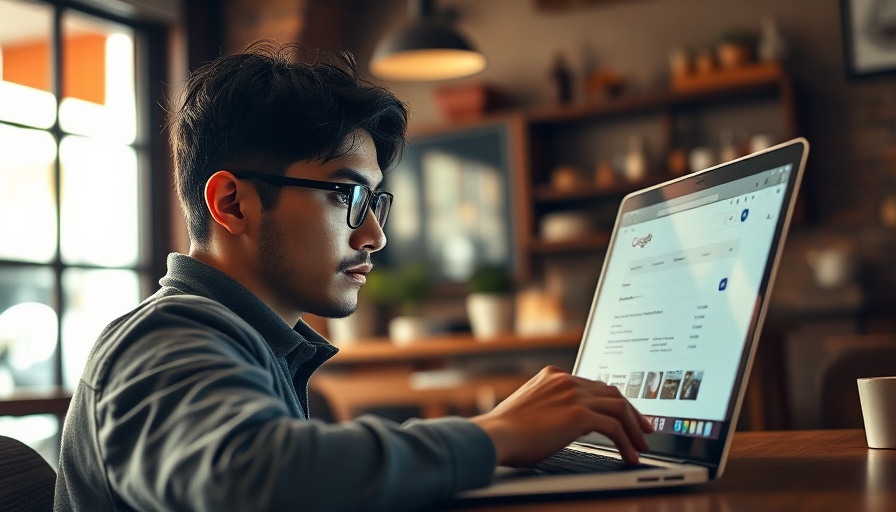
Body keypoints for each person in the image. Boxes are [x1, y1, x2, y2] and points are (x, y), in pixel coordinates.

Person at [54, 41, 652, 512]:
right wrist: (496, 434)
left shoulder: (241, 340)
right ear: (232, 204)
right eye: (347, 196)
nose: (374, 236)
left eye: (375, 203)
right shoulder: (165, 336)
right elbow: (255, 481)